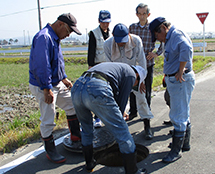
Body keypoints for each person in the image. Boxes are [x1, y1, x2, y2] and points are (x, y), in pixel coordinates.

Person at [71, 62, 147, 174]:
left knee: (86, 129)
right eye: (136, 84)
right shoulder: (131, 74)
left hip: (77, 87)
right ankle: (133, 171)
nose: (133, 85)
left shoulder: (117, 67)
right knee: (123, 132)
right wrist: (120, 116)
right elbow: (121, 103)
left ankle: (89, 164)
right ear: (137, 75)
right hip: (96, 88)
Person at [29, 13, 82, 163]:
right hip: (43, 85)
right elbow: (42, 65)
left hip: (56, 82)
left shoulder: (55, 37)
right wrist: (46, 88)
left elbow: (56, 61)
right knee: (48, 118)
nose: (68, 35)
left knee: (72, 104)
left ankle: (76, 135)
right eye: (68, 31)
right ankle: (50, 150)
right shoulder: (44, 37)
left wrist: (63, 77)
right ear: (60, 25)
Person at [149, 17, 195, 163]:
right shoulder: (169, 38)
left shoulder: (176, 35)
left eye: (157, 35)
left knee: (177, 114)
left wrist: (180, 71)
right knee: (183, 111)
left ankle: (176, 151)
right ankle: (184, 144)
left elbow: (186, 49)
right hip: (176, 80)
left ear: (162, 28)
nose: (157, 38)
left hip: (180, 80)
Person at [104, 23, 154, 140]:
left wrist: (140, 79)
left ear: (129, 34)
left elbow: (142, 62)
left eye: (124, 40)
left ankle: (147, 126)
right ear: (113, 35)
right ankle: (119, 130)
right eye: (119, 40)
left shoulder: (136, 41)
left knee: (142, 99)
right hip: (119, 77)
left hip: (134, 75)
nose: (121, 43)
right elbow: (109, 66)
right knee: (118, 104)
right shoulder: (107, 44)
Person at [129, 3, 164, 121]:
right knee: (132, 88)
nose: (142, 16)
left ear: (148, 14)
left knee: (147, 89)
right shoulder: (132, 28)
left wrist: (156, 54)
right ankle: (133, 111)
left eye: (144, 13)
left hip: (148, 64)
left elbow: (163, 42)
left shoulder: (152, 28)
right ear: (136, 14)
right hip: (134, 64)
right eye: (140, 13)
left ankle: (146, 111)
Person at [87, 10, 111, 128]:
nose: (105, 25)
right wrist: (91, 66)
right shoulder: (94, 33)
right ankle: (97, 118)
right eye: (103, 22)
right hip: (97, 66)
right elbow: (91, 51)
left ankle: (107, 116)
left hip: (109, 67)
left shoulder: (111, 33)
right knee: (97, 93)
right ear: (99, 21)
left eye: (107, 22)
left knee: (108, 92)